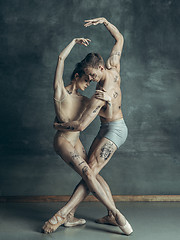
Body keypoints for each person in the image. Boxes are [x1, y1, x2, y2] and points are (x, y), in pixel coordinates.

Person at [42, 18, 133, 235]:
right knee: (92, 173)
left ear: (100, 68)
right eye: (87, 76)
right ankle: (111, 215)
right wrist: (105, 22)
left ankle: (64, 214)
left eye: (92, 75)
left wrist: (59, 125)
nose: (90, 79)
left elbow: (81, 125)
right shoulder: (112, 66)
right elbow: (119, 38)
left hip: (115, 130)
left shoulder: (99, 94)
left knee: (90, 172)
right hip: (104, 129)